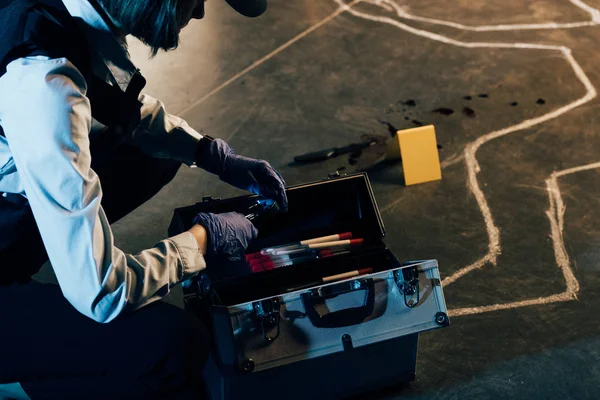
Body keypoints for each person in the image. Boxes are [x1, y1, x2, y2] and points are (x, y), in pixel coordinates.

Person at [0, 0, 286, 398]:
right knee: (172, 346)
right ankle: (22, 381)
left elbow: (112, 98)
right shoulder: (44, 86)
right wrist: (202, 240)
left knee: (154, 155)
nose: (201, 12)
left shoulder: (70, 15)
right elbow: (101, 293)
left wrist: (207, 153)